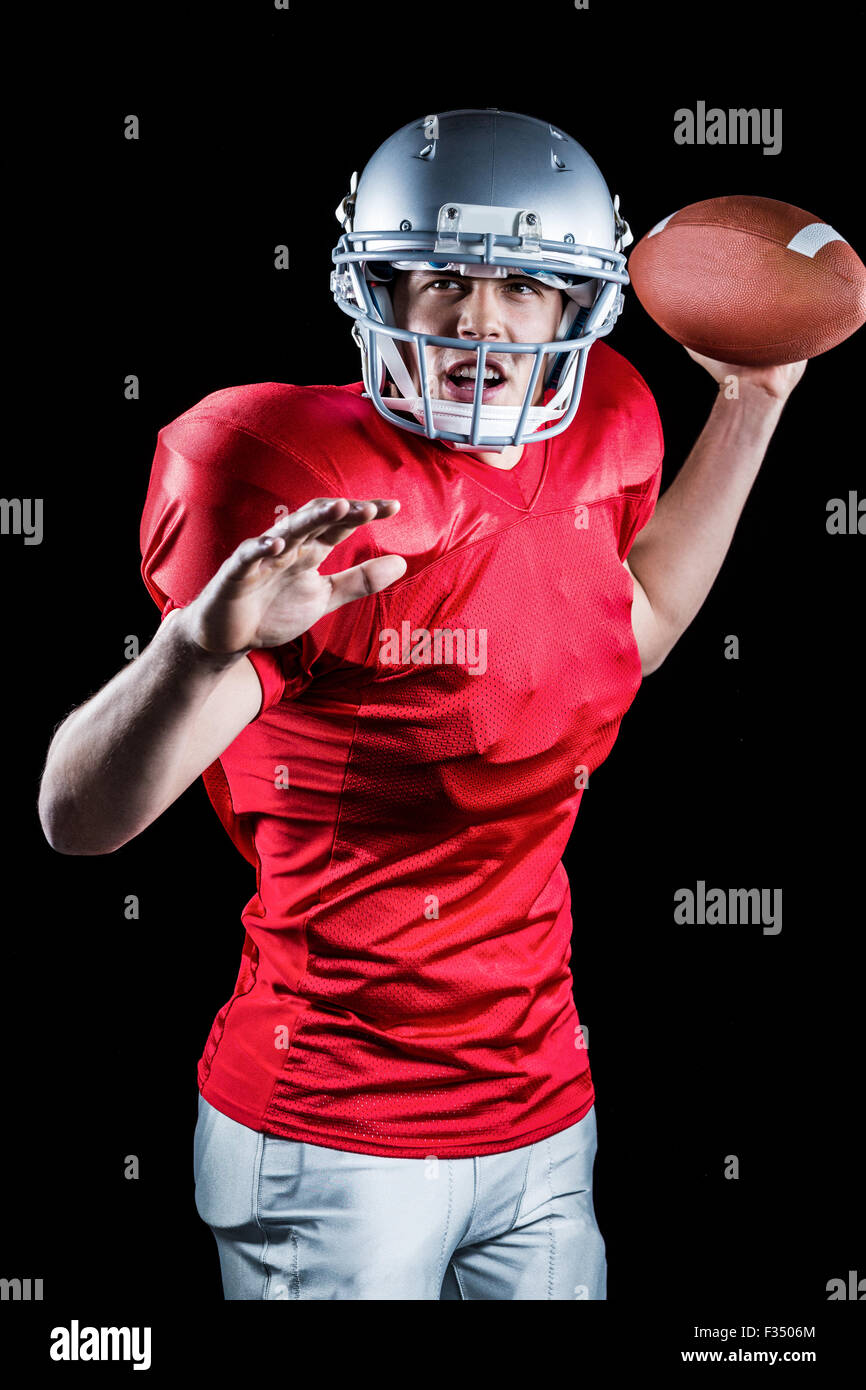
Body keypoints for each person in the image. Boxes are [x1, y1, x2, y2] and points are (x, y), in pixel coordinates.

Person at [37, 109, 805, 1300]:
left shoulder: (610, 424)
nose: (480, 322)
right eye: (441, 277)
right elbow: (76, 818)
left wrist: (748, 404)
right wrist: (194, 649)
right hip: (330, 1127)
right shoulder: (305, 488)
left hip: (540, 1101)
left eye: (522, 286)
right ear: (373, 289)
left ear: (578, 307)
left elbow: (631, 626)